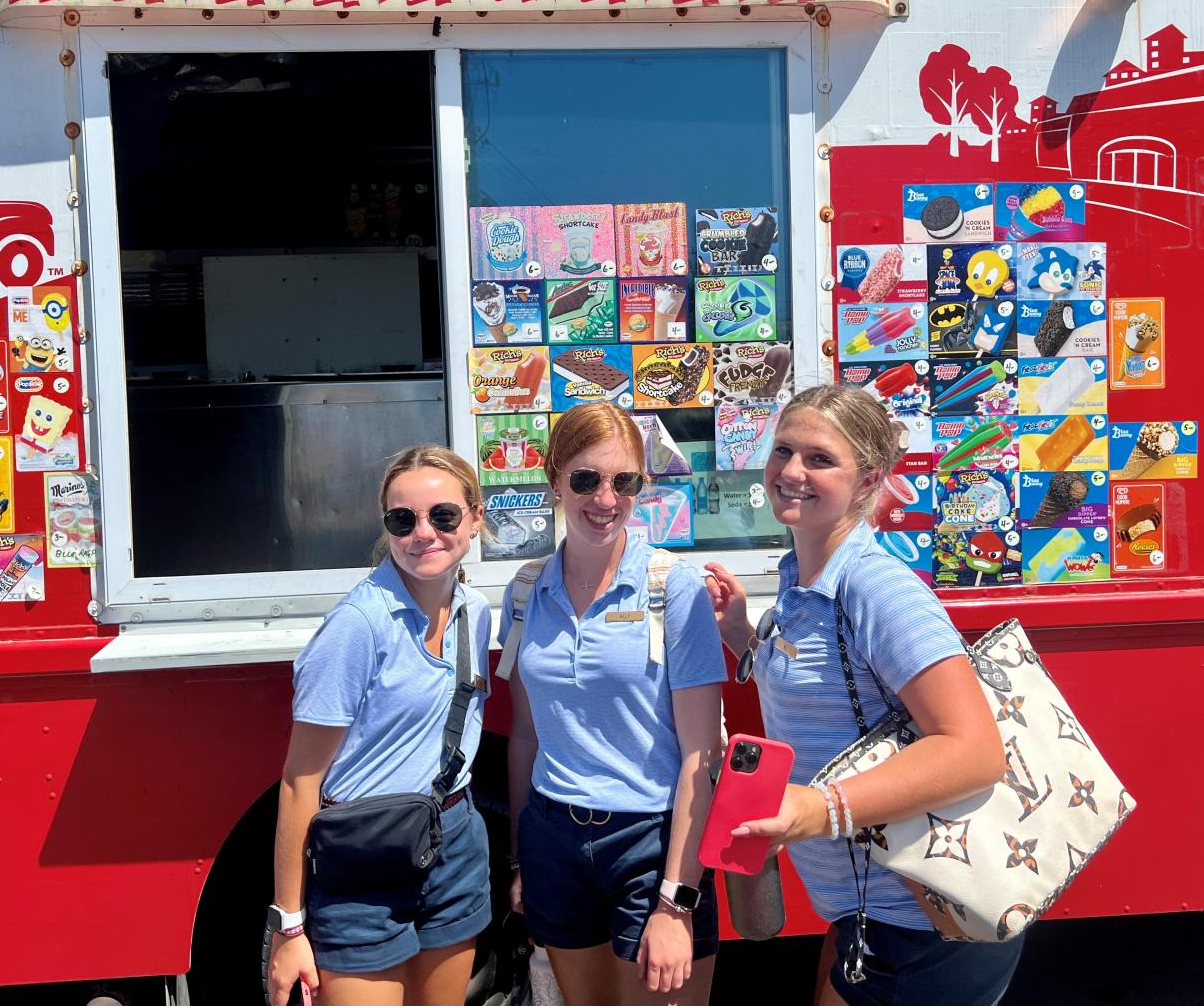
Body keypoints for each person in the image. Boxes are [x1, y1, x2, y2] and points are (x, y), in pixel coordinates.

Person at [704, 385, 1022, 1006]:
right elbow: (830, 697)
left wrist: (816, 811)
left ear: (867, 479)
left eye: (820, 459)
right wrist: (743, 637)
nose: (791, 472)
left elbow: (976, 750)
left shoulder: (879, 590)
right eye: (783, 451)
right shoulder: (804, 581)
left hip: (924, 921)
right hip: (867, 911)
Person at [500, 402, 725, 1005]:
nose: (605, 498)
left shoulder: (673, 587)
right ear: (553, 479)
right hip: (554, 837)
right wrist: (523, 859)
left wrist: (676, 900)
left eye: (624, 481)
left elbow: (702, 755)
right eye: (585, 479)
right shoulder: (526, 590)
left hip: (650, 844)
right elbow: (525, 734)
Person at [267, 445, 492, 1006]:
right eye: (403, 519)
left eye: (443, 516)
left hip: (454, 840)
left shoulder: (475, 610)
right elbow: (300, 784)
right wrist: (289, 928)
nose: (424, 533)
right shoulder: (357, 627)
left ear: (475, 518)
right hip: (362, 861)